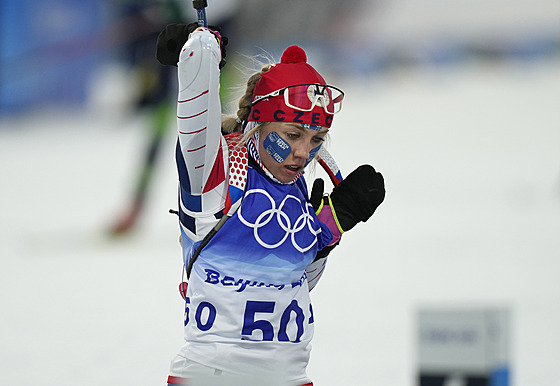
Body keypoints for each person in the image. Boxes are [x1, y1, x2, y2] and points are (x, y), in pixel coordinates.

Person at [156, 23, 385, 386]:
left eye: (315, 140)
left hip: (289, 376)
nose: (302, 153)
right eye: (292, 135)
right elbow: (196, 120)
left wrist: (330, 229)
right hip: (211, 375)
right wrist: (201, 51)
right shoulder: (216, 176)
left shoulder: (297, 185)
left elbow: (294, 283)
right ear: (259, 123)